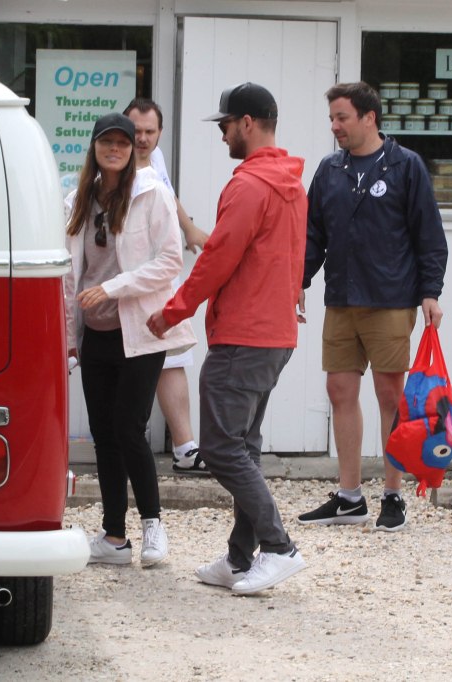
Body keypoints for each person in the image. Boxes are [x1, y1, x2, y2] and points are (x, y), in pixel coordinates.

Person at [147, 83, 307, 594]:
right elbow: (294, 257)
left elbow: (217, 257)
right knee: (244, 446)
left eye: (224, 125)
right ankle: (240, 558)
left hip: (243, 335)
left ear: (248, 123)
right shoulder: (290, 184)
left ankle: (279, 548)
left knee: (218, 448)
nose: (221, 135)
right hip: (274, 333)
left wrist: (172, 311)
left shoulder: (249, 186)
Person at [297, 81, 448, 532]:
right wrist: (297, 280)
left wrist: (430, 291)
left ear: (369, 117)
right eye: (332, 118)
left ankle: (393, 494)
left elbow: (429, 236)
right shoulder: (330, 169)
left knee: (388, 395)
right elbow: (311, 235)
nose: (334, 126)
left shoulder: (406, 167)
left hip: (389, 299)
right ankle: (349, 497)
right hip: (341, 299)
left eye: (341, 117)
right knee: (340, 392)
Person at [65, 112, 196, 567]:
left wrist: (114, 288)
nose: (116, 149)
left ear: (134, 148)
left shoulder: (152, 193)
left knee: (129, 427)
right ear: (96, 148)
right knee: (103, 434)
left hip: (141, 330)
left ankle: (154, 528)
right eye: (108, 142)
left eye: (123, 142)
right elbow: (69, 276)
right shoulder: (78, 199)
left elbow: (169, 262)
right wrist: (68, 337)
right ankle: (115, 536)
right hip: (96, 333)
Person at [123, 97, 209, 474]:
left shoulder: (155, 161)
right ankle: (126, 445)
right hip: (129, 279)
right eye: (135, 131)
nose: (142, 139)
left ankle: (185, 448)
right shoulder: (113, 165)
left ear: (159, 133)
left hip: (164, 275)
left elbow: (168, 194)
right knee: (128, 362)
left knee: (172, 357)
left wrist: (189, 228)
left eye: (149, 132)